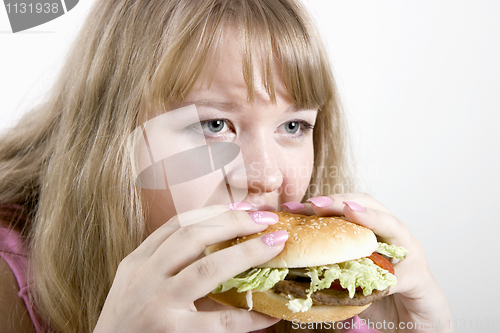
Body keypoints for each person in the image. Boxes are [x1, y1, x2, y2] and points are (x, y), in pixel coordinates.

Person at [0, 0, 452, 332]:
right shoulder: (10, 280)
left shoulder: (319, 304)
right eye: (215, 124)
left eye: (294, 126)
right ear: (112, 139)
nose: (267, 176)